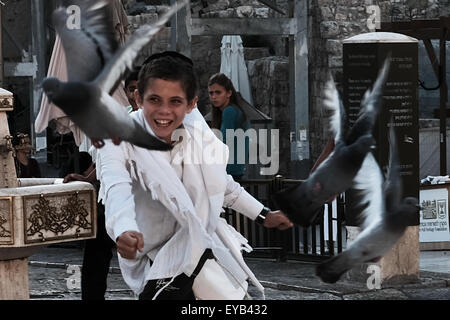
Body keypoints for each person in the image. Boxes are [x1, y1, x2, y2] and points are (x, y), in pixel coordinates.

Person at [95, 51, 293, 300]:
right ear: (138, 98)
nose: (164, 111)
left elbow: (223, 185)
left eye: (175, 101)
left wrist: (263, 215)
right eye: (154, 99)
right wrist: (123, 229)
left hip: (197, 245)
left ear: (191, 104)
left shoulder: (198, 136)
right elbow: (116, 188)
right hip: (151, 256)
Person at [208, 73, 250, 181]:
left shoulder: (229, 111)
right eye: (211, 93)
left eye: (218, 92)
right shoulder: (234, 110)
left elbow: (224, 142)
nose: (214, 96)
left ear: (229, 93)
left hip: (229, 171)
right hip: (236, 170)